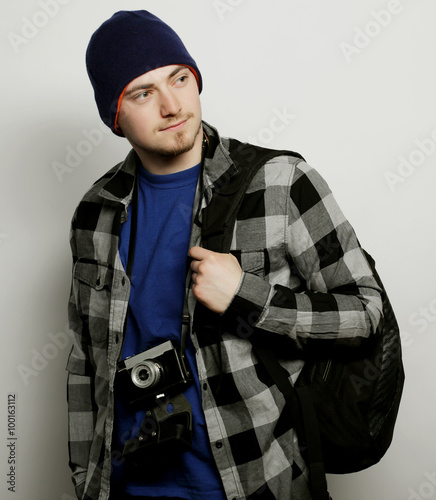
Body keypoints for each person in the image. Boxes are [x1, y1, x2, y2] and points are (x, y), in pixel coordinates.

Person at [66, 9, 383, 500]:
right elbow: (85, 361)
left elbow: (365, 314)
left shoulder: (279, 183)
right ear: (115, 116)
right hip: (127, 485)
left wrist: (247, 296)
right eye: (143, 93)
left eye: (180, 79)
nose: (172, 105)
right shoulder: (96, 210)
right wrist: (84, 484)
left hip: (254, 481)